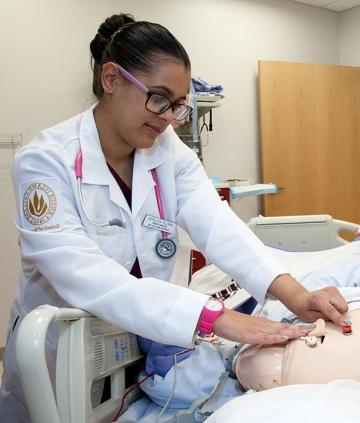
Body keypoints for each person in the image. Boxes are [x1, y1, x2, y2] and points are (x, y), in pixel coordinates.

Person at [0, 12, 348, 422]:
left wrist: (295, 293)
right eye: (158, 98)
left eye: (178, 106)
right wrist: (214, 318)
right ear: (111, 79)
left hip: (149, 347)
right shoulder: (45, 161)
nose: (167, 117)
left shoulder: (168, 154)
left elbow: (218, 227)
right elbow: (78, 270)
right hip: (66, 351)